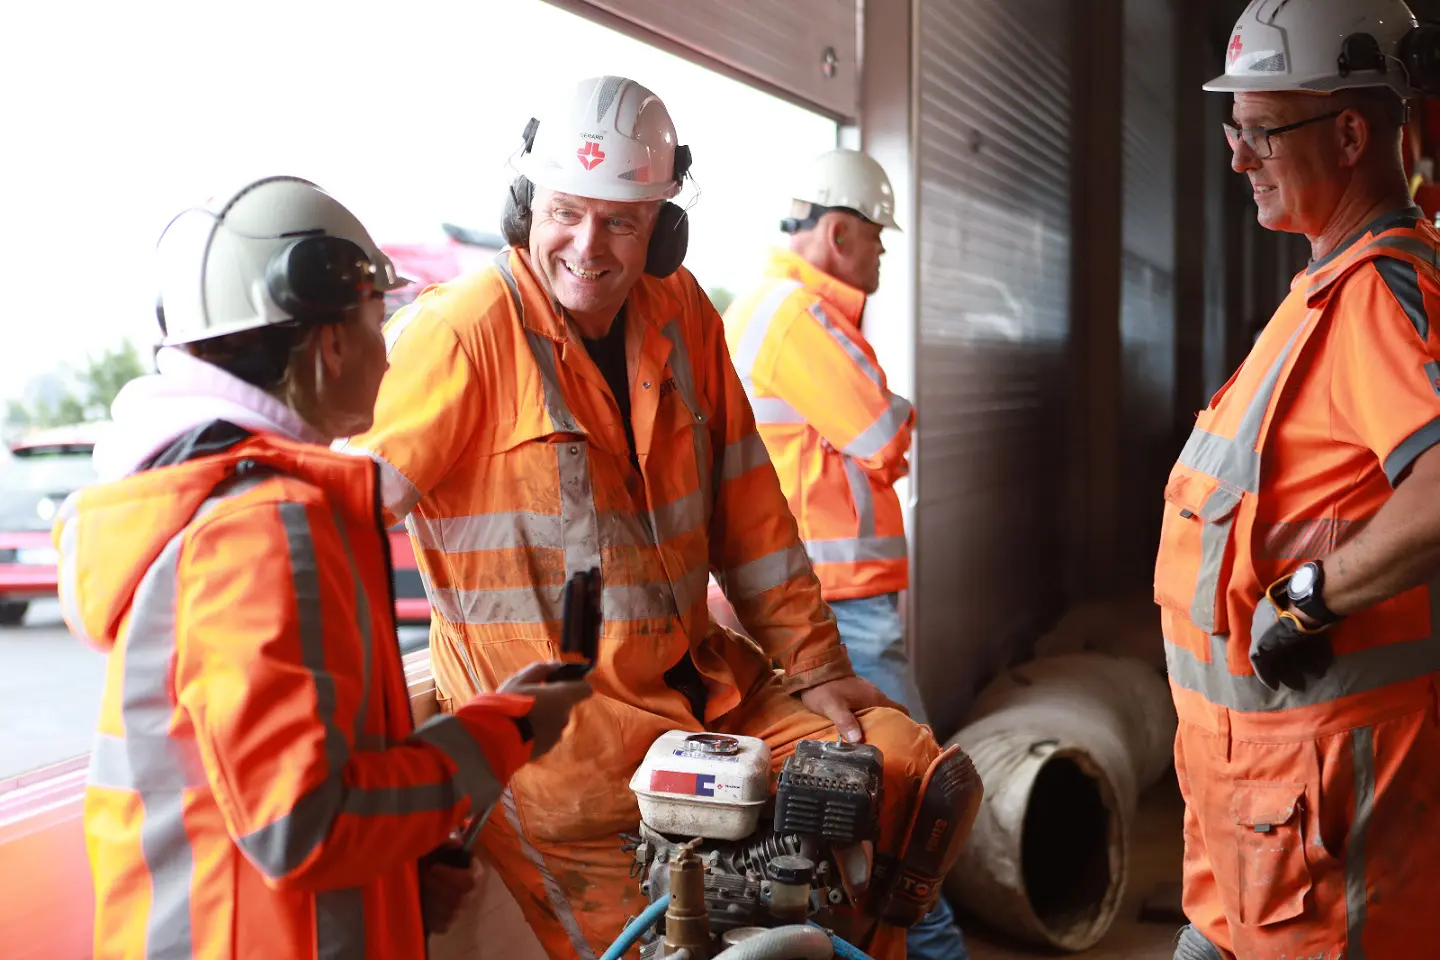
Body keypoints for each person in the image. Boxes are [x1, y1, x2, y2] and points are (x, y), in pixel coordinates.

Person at [341, 75, 981, 958]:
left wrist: (818, 665)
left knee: (909, 773)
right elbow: (341, 527)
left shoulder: (683, 317)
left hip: (713, 698)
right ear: (526, 203)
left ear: (663, 228)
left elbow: (751, 514)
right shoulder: (460, 335)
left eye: (622, 221)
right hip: (563, 750)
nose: (588, 245)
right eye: (566, 212)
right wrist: (377, 766)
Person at [58, 175, 592, 959]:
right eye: (381, 321)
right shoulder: (258, 529)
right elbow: (300, 825)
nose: (388, 355)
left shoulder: (223, 507)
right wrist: (503, 735)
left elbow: (264, 799)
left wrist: (399, 876)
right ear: (330, 338)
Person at [1160, 1, 1440, 957]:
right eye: (1235, 130)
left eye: (1262, 130)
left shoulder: (1380, 295)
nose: (1239, 157)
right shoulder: (1321, 294)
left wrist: (1314, 596)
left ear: (1352, 132)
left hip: (1330, 834)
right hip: (1255, 816)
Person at [722, 147, 969, 959]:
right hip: (834, 605)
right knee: (915, 796)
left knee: (870, 800)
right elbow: (884, 432)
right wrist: (891, 419)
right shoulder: (797, 315)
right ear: (837, 232)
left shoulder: (788, 311)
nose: (882, 256)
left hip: (821, 598)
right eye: (877, 240)